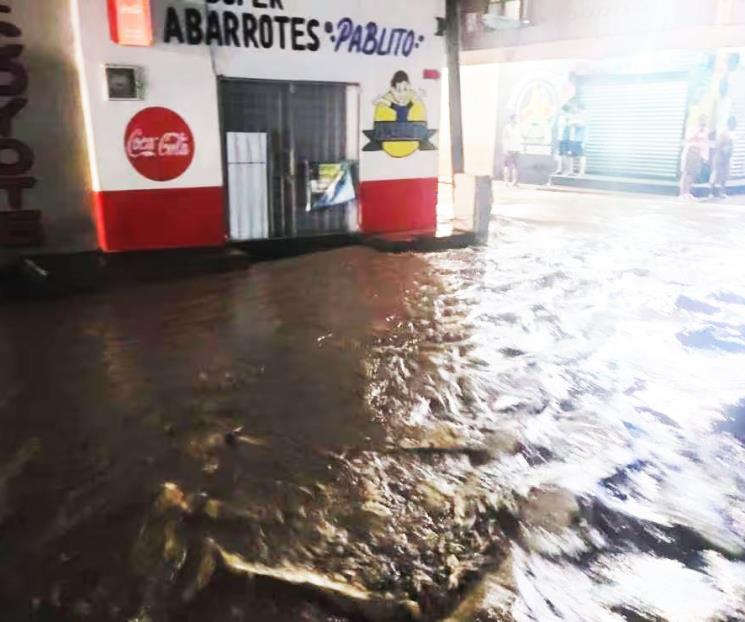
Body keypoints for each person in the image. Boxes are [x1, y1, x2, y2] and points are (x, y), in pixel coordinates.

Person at [680, 114, 711, 200]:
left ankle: (688, 192)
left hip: (699, 153)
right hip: (690, 151)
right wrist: (698, 131)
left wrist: (705, 156)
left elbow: (705, 143)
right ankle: (682, 193)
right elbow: (688, 139)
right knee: (686, 173)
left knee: (693, 174)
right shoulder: (691, 128)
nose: (703, 122)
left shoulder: (706, 131)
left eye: (704, 120)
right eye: (701, 120)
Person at [711, 115, 736, 198]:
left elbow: (732, 144)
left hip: (727, 157)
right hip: (720, 155)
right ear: (730, 124)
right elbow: (719, 144)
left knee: (725, 175)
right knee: (717, 173)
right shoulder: (723, 131)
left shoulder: (732, 132)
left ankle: (722, 192)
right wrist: (723, 149)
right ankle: (711, 192)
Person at [502, 113, 522, 186]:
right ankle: (506, 181)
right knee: (507, 166)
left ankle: (515, 181)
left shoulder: (518, 127)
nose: (516, 120)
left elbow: (520, 138)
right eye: (515, 118)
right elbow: (504, 139)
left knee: (516, 166)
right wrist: (505, 149)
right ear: (511, 119)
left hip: (517, 149)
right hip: (509, 150)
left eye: (517, 118)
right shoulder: (507, 128)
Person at [569, 103, 588, 176]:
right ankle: (571, 171)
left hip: (581, 139)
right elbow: (570, 123)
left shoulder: (585, 115)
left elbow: (581, 124)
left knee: (582, 155)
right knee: (572, 155)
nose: (575, 109)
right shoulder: (576, 115)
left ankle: (581, 172)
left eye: (576, 108)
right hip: (574, 138)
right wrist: (574, 122)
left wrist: (574, 123)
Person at [554, 103, 572, 175]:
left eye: (561, 110)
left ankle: (567, 170)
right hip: (560, 138)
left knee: (565, 155)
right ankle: (560, 169)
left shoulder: (568, 117)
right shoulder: (561, 117)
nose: (560, 111)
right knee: (560, 154)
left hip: (565, 138)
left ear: (564, 110)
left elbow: (568, 128)